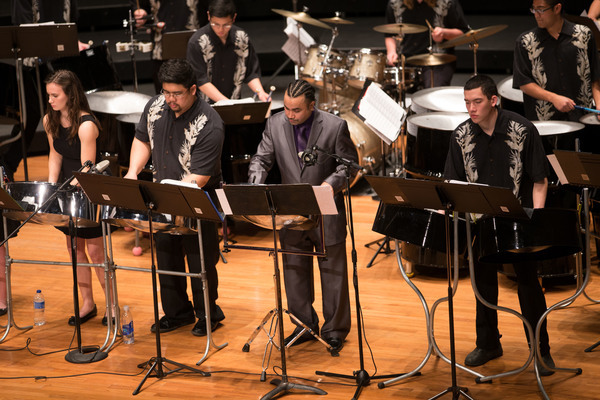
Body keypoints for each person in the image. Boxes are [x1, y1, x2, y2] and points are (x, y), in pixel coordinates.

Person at [444, 74, 555, 376]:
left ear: (494, 100)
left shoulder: (523, 129)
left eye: (477, 102)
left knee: (529, 285)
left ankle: (541, 348)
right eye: (467, 102)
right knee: (483, 284)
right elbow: (453, 183)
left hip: (519, 222)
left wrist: (536, 221)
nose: (471, 108)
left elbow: (540, 180)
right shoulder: (460, 135)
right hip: (481, 222)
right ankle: (488, 343)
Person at [248, 80, 358, 353]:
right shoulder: (275, 124)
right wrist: (255, 184)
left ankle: (335, 330)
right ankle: (303, 326)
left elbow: (349, 165)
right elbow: (261, 159)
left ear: (312, 106)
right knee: (294, 271)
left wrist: (331, 184)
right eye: (286, 108)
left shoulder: (334, 126)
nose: (290, 114)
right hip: (291, 211)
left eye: (296, 110)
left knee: (333, 273)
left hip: (326, 211)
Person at [124, 59, 225, 336]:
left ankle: (208, 314)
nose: (170, 99)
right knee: (167, 257)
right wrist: (133, 171)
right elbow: (142, 139)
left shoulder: (210, 123)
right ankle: (177, 313)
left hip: (198, 198)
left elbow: (200, 177)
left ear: (193, 89)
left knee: (200, 259)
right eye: (166, 92)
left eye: (177, 94)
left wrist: (170, 192)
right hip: (163, 194)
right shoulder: (156, 106)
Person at [44, 70, 109, 326]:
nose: (50, 100)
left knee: (96, 252)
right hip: (66, 189)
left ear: (70, 95)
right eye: (49, 95)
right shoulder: (50, 120)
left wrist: (65, 189)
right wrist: (51, 187)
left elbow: (86, 169)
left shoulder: (86, 125)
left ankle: (112, 306)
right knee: (74, 249)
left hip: (89, 189)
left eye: (55, 95)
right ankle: (87, 303)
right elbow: (55, 155)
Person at [2, 0, 90, 181]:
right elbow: (23, 29)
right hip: (33, 64)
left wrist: (74, 41)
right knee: (33, 117)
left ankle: (76, 167)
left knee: (68, 113)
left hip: (62, 61)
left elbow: (70, 19)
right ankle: (7, 167)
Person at [513, 0, 600, 125]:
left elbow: (595, 77)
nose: (536, 14)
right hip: (545, 122)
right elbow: (523, 83)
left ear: (557, 8)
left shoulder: (584, 35)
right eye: (534, 9)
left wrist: (599, 104)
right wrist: (553, 98)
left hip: (582, 118)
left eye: (541, 9)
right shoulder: (525, 42)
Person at [186, 0, 269, 103]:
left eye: (226, 25)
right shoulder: (197, 42)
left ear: (234, 18)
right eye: (215, 24)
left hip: (233, 101)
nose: (220, 29)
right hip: (206, 106)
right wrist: (227, 103)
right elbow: (201, 80)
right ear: (208, 16)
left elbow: (251, 72)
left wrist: (261, 93)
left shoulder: (241, 38)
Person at [384, 0, 470, 88]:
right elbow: (389, 34)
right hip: (405, 60)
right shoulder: (395, 3)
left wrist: (444, 33)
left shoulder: (447, 2)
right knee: (387, 90)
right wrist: (391, 52)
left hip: (438, 61)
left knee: (433, 91)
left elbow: (464, 33)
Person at [131, 0, 209, 93]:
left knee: (196, 92)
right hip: (161, 47)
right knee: (164, 94)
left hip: (194, 44)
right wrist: (140, 11)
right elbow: (140, 5)